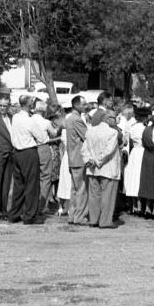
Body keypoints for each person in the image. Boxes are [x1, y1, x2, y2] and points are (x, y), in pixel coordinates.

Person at [84, 105, 123, 228]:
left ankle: (94, 219)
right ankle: (105, 221)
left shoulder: (90, 130)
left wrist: (89, 160)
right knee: (108, 195)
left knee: (94, 195)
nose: (115, 120)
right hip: (107, 167)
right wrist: (98, 161)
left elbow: (84, 149)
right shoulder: (113, 132)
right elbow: (108, 151)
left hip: (92, 168)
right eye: (114, 117)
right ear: (107, 119)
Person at [7, 95, 43, 223]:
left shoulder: (15, 117)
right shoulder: (30, 120)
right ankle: (29, 215)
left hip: (17, 152)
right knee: (32, 184)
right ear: (28, 105)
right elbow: (42, 137)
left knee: (19, 184)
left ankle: (15, 213)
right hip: (28, 151)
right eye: (32, 103)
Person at [63, 96, 90, 225]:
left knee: (74, 189)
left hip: (72, 158)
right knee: (81, 190)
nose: (86, 106)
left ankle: (72, 215)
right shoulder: (77, 120)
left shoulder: (69, 119)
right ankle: (80, 216)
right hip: (79, 158)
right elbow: (87, 136)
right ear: (77, 105)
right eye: (83, 104)